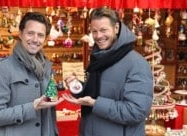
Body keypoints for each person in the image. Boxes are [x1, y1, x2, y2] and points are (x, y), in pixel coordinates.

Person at [63, 7, 153, 136]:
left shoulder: (136, 64)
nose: (99, 36)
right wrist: (77, 87)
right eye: (94, 31)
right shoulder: (99, 58)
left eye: (103, 30)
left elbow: (136, 112)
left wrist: (95, 103)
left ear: (116, 28)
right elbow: (95, 93)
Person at [0, 12, 64, 136]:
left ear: (45, 39)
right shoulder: (2, 67)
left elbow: (50, 113)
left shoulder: (47, 67)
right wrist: (31, 108)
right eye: (30, 33)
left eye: (40, 35)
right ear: (21, 34)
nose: (35, 39)